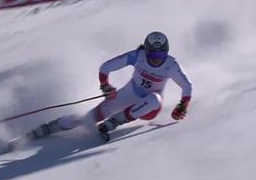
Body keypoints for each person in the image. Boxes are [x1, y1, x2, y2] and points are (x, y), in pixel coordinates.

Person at [29, 31, 193, 142]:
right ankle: (49, 128)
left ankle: (115, 122)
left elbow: (187, 87)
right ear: (146, 51)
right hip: (127, 95)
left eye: (161, 55)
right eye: (153, 55)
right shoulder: (137, 56)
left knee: (154, 99)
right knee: (88, 118)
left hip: (149, 109)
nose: (157, 59)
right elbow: (106, 67)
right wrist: (106, 86)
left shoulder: (171, 65)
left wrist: (183, 105)